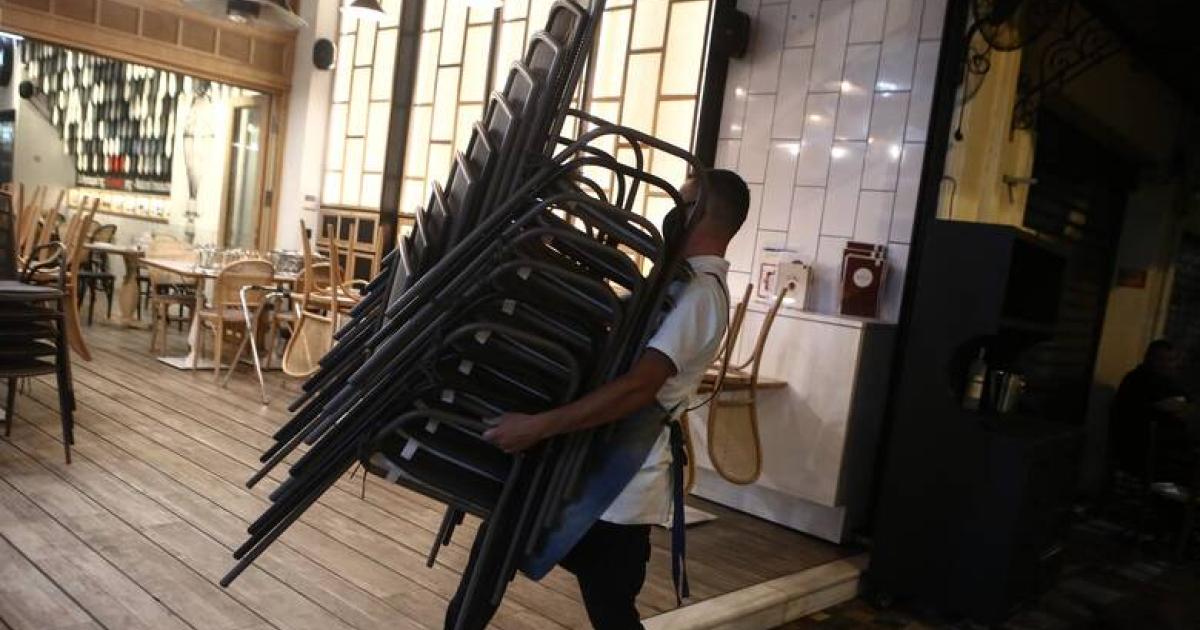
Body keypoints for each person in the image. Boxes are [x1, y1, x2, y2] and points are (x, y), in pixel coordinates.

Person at [445, 169, 750, 630]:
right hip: (587, 464)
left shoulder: (701, 295)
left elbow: (638, 388)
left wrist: (538, 426)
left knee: (607, 608)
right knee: (494, 555)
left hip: (619, 486)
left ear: (701, 213)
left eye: (682, 202)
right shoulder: (677, 280)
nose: (671, 213)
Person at [1110, 340, 1197, 482]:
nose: (1166, 364)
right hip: (1141, 449)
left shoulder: (1170, 382)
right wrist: (1159, 408)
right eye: (1160, 359)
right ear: (1148, 358)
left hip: (1170, 449)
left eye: (1170, 360)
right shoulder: (1136, 380)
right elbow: (1130, 413)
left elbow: (1187, 402)